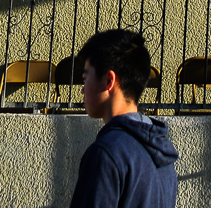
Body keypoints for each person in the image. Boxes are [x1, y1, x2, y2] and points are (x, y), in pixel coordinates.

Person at [71, 27, 179, 208]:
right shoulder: (164, 157)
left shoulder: (106, 153)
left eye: (85, 78)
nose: (82, 89)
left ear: (108, 81)